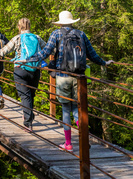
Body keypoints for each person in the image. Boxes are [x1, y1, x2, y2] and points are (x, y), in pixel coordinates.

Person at [34, 10, 114, 152]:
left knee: (66, 109)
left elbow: (46, 52)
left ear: (60, 23)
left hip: (63, 76)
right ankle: (84, 140)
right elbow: (92, 54)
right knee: (78, 109)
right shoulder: (81, 34)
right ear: (72, 22)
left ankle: (68, 144)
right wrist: (104, 63)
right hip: (79, 77)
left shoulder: (56, 34)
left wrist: (30, 59)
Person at [0, 18, 46, 130]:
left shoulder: (17, 38)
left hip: (20, 69)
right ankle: (29, 115)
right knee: (31, 95)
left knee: (25, 96)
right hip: (35, 69)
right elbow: (49, 50)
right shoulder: (37, 38)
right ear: (30, 26)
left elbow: (3, 52)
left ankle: (27, 123)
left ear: (19, 26)